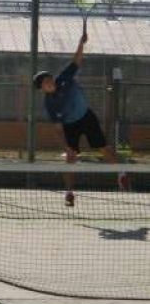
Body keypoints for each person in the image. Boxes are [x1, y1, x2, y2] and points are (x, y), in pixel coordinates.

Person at [33, 31, 129, 207]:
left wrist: (81, 43)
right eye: (45, 83)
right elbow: (58, 129)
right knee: (70, 159)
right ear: (42, 89)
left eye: (49, 78)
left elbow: (76, 61)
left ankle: (121, 174)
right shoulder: (50, 104)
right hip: (70, 126)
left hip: (86, 117)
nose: (49, 82)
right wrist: (66, 147)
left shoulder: (63, 78)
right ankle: (69, 193)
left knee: (104, 148)